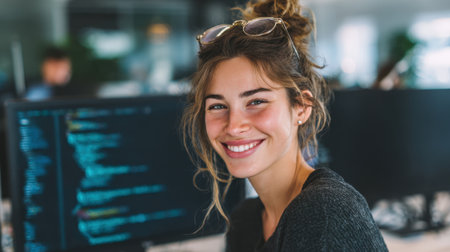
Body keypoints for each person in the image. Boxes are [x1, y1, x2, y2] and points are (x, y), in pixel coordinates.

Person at [182, 0, 388, 251]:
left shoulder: (324, 212)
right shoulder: (244, 222)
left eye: (256, 101)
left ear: (301, 106)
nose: (234, 126)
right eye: (217, 106)